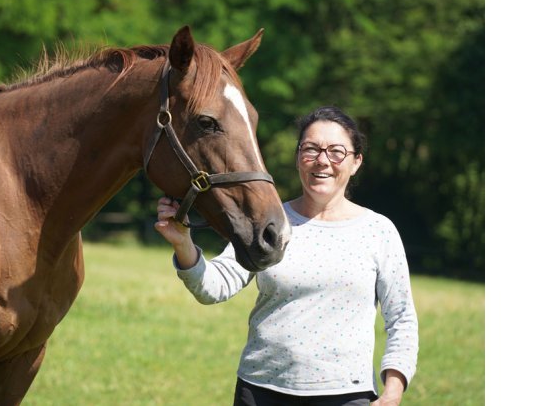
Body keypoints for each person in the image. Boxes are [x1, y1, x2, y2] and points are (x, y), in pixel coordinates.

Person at [155, 106, 418, 406]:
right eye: (311, 149)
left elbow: (402, 318)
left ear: (356, 162)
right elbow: (215, 287)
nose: (322, 160)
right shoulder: (269, 222)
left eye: (336, 152)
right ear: (297, 157)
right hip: (261, 391)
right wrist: (183, 243)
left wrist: (393, 390)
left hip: (347, 393)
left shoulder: (378, 231)